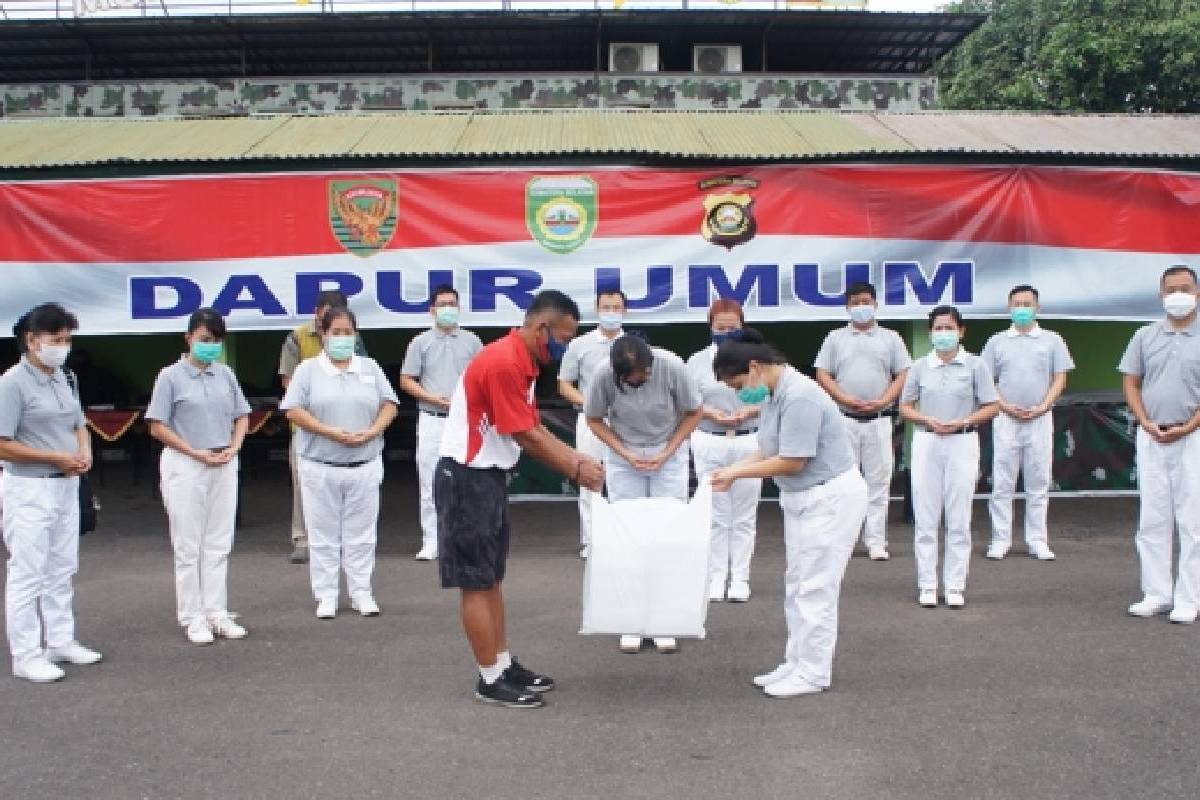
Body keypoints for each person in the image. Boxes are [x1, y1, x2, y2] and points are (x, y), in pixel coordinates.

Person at [436, 290, 604, 709]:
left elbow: (533, 426)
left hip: (487, 478)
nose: (565, 346)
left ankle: (502, 662)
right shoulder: (504, 361)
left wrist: (576, 456)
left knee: (491, 579)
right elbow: (524, 434)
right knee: (476, 583)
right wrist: (575, 469)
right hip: (466, 478)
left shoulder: (523, 361)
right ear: (541, 328)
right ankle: (489, 678)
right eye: (563, 337)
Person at [709, 329, 867, 698]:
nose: (738, 394)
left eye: (737, 384)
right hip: (803, 500)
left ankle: (813, 672)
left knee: (815, 589)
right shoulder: (776, 395)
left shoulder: (801, 396)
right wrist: (731, 471)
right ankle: (796, 661)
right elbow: (766, 449)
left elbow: (793, 461)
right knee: (797, 585)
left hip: (828, 499)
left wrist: (735, 473)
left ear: (754, 367)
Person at [0, 303, 102, 683]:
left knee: (62, 566)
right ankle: (26, 654)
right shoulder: (12, 383)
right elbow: (3, 443)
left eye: (67, 340)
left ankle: (60, 639)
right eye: (56, 340)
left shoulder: (65, 378)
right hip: (29, 486)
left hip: (65, 484)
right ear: (32, 340)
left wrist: (83, 451)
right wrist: (54, 457)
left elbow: (79, 423)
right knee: (28, 571)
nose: (63, 346)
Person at [585, 334, 703, 654]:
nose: (643, 378)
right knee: (628, 536)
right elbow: (593, 419)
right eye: (636, 376)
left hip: (669, 450)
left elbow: (694, 411)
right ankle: (630, 621)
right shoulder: (601, 374)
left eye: (646, 372)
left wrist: (669, 452)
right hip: (624, 454)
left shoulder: (671, 365)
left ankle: (665, 620)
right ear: (618, 373)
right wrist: (623, 453)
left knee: (668, 534)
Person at [281, 306, 398, 620]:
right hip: (321, 464)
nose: (343, 338)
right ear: (323, 334)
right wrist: (330, 431)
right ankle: (326, 594)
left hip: (364, 462)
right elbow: (293, 409)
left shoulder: (369, 367)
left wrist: (373, 431)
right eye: (336, 333)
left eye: (348, 332)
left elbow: (389, 404)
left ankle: (362, 592)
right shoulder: (308, 370)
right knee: (323, 534)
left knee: (362, 533)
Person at [146, 308, 252, 645]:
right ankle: (192, 616)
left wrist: (234, 447)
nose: (210, 346)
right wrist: (193, 452)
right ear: (189, 338)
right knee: (188, 544)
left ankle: (217, 612)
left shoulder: (225, 375)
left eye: (216, 341)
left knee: (219, 542)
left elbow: (242, 415)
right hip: (186, 463)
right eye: (205, 339)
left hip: (222, 460)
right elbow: (157, 425)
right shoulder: (170, 376)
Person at [899, 306, 999, 609]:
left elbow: (991, 405)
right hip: (928, 441)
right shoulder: (919, 367)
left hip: (962, 441)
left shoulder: (975, 365)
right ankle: (928, 585)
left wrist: (965, 422)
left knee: (958, 517)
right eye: (938, 328)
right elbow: (906, 406)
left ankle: (955, 585)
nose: (944, 334)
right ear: (930, 333)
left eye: (949, 328)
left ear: (961, 331)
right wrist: (926, 420)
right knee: (926, 516)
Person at [1119, 264, 1200, 624]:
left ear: (1197, 293)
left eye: (1185, 288)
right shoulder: (1144, 336)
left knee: (1191, 520)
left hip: (1192, 436)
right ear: (1161, 295)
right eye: (1171, 289)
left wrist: (1190, 426)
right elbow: (1131, 383)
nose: (1178, 295)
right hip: (1151, 436)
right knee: (1152, 518)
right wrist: (1145, 421)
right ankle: (1156, 593)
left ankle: (1188, 598)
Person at [814, 281, 911, 562]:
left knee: (878, 482)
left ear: (876, 304)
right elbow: (823, 374)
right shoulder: (835, 338)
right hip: (845, 419)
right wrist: (843, 397)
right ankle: (843, 539)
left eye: (866, 301)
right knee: (843, 482)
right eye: (855, 302)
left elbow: (903, 373)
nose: (861, 307)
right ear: (847, 307)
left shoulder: (891, 339)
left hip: (879, 420)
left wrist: (885, 400)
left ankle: (876, 541)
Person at [980, 285, 1075, 561]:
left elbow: (1060, 378)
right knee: (1002, 482)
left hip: (1040, 418)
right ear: (1009, 308)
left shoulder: (1052, 340)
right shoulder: (997, 341)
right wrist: (1005, 406)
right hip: (1006, 418)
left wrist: (1044, 405)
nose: (1022, 308)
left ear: (1038, 308)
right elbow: (987, 380)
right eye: (1017, 304)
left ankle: (1037, 540)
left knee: (1038, 480)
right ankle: (1000, 539)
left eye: (1027, 303)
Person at [277, 290, 366, 565]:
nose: (338, 329)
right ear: (317, 312)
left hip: (346, 427)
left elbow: (362, 375)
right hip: (306, 427)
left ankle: (337, 541)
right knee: (305, 486)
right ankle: (302, 540)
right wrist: (317, 413)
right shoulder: (297, 337)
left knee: (344, 489)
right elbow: (287, 382)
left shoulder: (353, 339)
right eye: (329, 315)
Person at [686, 298, 763, 602]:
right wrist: (709, 413)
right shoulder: (696, 362)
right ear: (710, 328)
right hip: (710, 439)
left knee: (744, 514)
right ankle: (716, 576)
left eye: (734, 328)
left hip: (747, 439)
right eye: (721, 328)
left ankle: (740, 577)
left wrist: (750, 411)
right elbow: (687, 401)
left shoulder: (757, 360)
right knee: (716, 513)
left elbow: (770, 397)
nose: (727, 333)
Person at [399, 285, 483, 562]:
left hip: (463, 420)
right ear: (432, 310)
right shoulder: (420, 342)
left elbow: (482, 378)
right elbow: (407, 380)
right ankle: (431, 540)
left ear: (459, 308)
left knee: (466, 480)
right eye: (442, 304)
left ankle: (462, 539)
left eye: (452, 304)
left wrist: (463, 399)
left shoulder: (472, 342)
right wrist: (432, 398)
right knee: (430, 481)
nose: (448, 309)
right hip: (432, 419)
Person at [557, 289, 628, 559]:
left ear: (625, 311)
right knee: (590, 478)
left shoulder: (634, 344)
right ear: (597, 310)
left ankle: (622, 539)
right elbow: (564, 384)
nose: (611, 312)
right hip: (590, 421)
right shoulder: (579, 345)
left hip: (626, 422)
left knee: (624, 480)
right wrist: (588, 403)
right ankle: (591, 541)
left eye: (616, 307)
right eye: (606, 307)